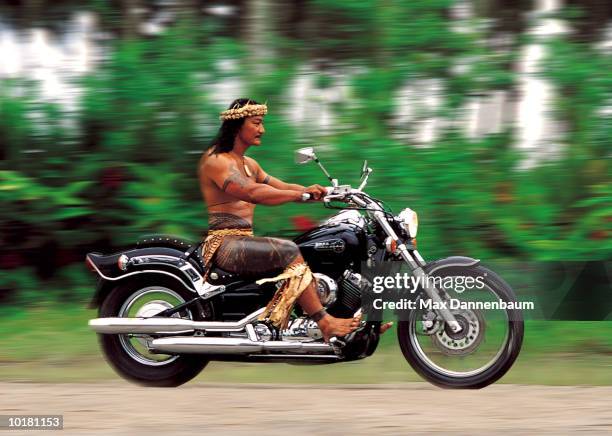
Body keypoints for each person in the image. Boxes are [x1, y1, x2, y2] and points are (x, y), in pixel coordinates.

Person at [198, 98, 391, 342]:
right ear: (237, 125)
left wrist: (322, 193)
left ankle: (352, 316)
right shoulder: (217, 160)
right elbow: (251, 192)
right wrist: (299, 194)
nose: (262, 129)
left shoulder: (250, 164)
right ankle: (325, 323)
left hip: (243, 241)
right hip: (225, 244)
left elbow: (283, 186)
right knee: (289, 251)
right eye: (256, 123)